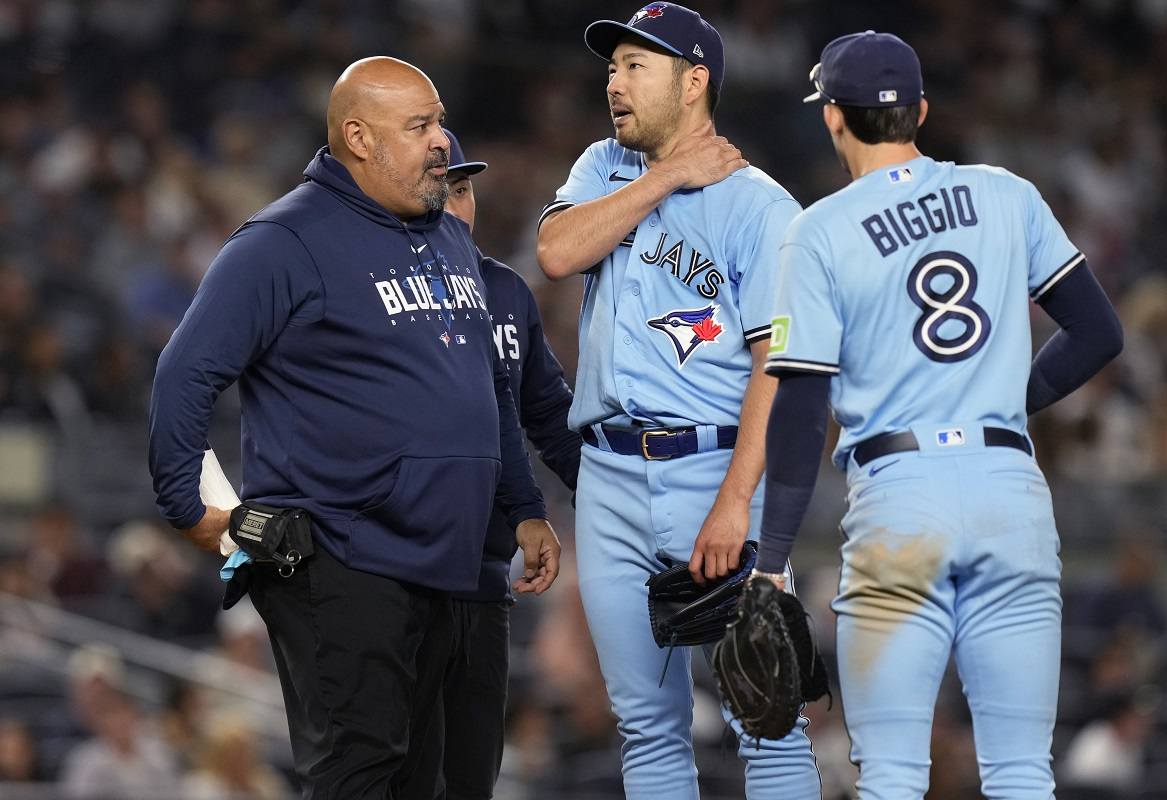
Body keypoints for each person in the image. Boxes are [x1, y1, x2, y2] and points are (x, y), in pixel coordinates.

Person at [148, 56, 561, 799]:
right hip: (340, 551)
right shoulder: (281, 241)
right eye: (421, 126)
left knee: (422, 784)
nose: (442, 141)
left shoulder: (442, 234)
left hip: (444, 564)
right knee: (360, 775)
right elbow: (185, 375)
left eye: (438, 121)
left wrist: (523, 508)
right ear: (360, 138)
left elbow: (485, 389)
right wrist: (194, 513)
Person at [754, 31, 1124, 799]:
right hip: (1007, 488)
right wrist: (1001, 401)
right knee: (1022, 772)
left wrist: (771, 559)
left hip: (901, 498)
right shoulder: (1006, 192)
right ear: (920, 110)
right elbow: (1098, 331)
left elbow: (799, 404)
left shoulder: (818, 230)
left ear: (832, 117)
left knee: (891, 776)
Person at [536, 4, 821, 798]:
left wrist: (737, 503)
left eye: (635, 67)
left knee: (767, 712)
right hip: (609, 478)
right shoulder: (602, 166)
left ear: (694, 82)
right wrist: (666, 176)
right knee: (646, 726)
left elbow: (781, 365)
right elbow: (556, 251)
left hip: (716, 467)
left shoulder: (760, 206)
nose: (614, 84)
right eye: (611, 68)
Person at [440, 128, 582, 800]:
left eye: (463, 189)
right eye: (442, 190)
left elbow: (548, 415)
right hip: (387, 568)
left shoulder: (504, 292)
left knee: (472, 772)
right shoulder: (371, 292)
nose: (456, 205)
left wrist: (611, 496)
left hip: (482, 575)